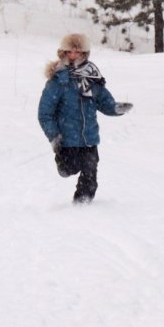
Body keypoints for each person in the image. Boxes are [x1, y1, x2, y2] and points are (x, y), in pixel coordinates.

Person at [38, 33, 132, 204]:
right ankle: (63, 166)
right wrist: (54, 136)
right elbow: (45, 113)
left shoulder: (92, 79)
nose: (73, 55)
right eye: (69, 52)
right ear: (63, 53)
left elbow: (104, 102)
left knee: (90, 175)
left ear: (84, 54)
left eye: (78, 52)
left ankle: (82, 206)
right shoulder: (57, 82)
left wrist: (115, 108)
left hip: (89, 138)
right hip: (67, 140)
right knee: (69, 168)